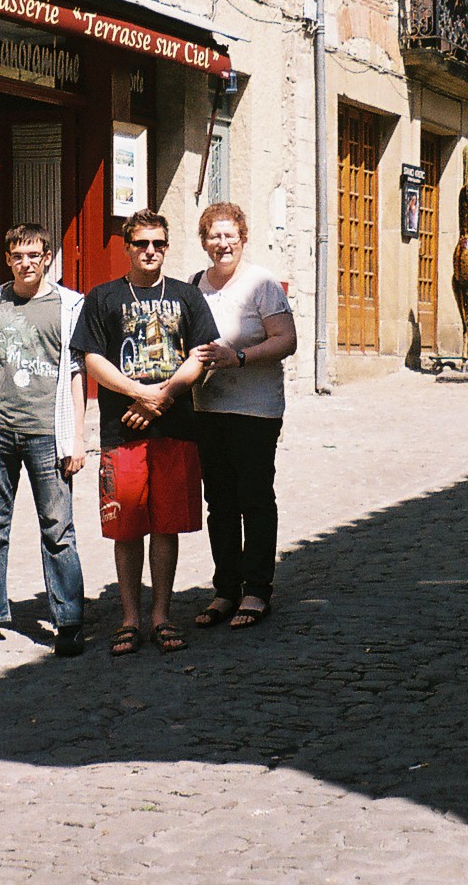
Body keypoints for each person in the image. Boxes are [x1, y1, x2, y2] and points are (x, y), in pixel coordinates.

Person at [71, 209, 218, 657]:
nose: (150, 251)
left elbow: (201, 354)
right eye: (141, 244)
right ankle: (130, 617)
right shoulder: (103, 297)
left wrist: (164, 396)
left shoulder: (187, 297)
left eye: (158, 243)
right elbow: (92, 358)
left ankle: (161, 615)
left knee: (167, 525)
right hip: (122, 429)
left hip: (175, 428)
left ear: (167, 247)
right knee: (127, 526)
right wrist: (138, 393)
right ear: (127, 247)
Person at [0, 223, 88, 657]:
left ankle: (68, 620)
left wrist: (77, 437)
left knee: (58, 528)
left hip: (48, 433)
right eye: (18, 256)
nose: (26, 263)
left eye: (34, 255)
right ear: (8, 259)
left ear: (47, 258)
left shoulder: (69, 305)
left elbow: (77, 372)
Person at [187, 203, 297, 632]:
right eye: (214, 236)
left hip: (255, 410)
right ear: (204, 242)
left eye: (229, 235)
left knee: (254, 498)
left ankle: (257, 590)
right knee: (219, 504)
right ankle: (225, 589)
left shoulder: (261, 284)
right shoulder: (194, 285)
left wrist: (239, 357)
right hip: (207, 408)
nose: (222, 243)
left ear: (243, 238)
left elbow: (286, 339)